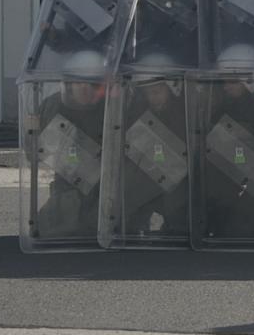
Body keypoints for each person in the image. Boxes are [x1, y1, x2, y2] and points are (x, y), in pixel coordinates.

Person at [197, 43, 254, 242]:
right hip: (230, 179)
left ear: (251, 80)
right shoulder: (223, 106)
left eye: (232, 82)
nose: (225, 87)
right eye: (224, 82)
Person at [27, 49, 108, 241]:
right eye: (78, 83)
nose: (84, 89)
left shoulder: (111, 107)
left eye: (91, 85)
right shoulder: (53, 106)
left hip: (107, 184)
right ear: (69, 85)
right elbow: (33, 148)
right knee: (51, 228)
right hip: (67, 183)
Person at [118, 57, 189, 241]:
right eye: (149, 92)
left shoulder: (186, 115)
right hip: (144, 179)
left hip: (177, 182)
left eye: (159, 90)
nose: (154, 96)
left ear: (172, 88)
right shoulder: (135, 115)